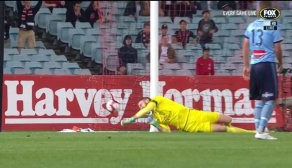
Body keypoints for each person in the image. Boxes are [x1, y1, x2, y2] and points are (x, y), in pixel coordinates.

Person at [242, 1, 283, 140]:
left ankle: (258, 129)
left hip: (254, 65)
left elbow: (245, 45)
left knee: (260, 99)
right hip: (267, 64)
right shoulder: (271, 24)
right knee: (270, 99)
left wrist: (246, 65)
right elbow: (277, 48)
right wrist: (280, 63)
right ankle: (261, 131)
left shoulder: (251, 26)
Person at [121, 96, 255, 133]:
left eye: (140, 104)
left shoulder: (157, 100)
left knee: (227, 119)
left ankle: (243, 131)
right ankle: (251, 133)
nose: (141, 107)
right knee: (222, 129)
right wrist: (155, 124)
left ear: (146, 100)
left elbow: (145, 110)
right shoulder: (155, 117)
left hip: (194, 114)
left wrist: (131, 119)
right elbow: (167, 131)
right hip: (189, 126)